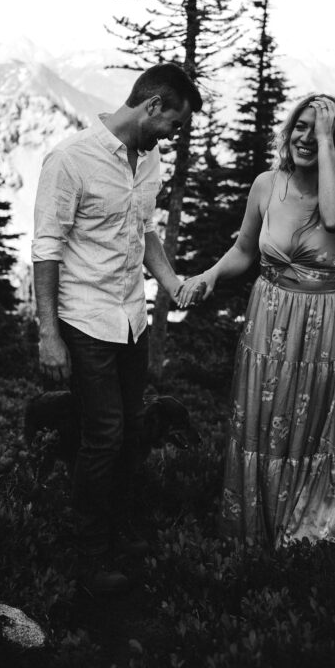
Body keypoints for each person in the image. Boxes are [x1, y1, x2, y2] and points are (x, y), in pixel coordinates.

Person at [31, 62, 203, 594]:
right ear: (153, 106)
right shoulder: (70, 158)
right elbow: (46, 248)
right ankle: (87, 552)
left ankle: (114, 532)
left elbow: (145, 230)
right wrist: (48, 333)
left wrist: (170, 282)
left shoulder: (148, 160)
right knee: (103, 434)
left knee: (128, 431)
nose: (174, 135)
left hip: (131, 317)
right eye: (173, 122)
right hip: (83, 318)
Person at [177, 94, 335, 548]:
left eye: (319, 129)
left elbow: (334, 216)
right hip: (269, 316)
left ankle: (303, 532)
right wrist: (208, 276)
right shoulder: (267, 183)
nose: (306, 136)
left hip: (323, 323)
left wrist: (326, 143)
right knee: (263, 419)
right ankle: (255, 529)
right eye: (300, 126)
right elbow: (245, 250)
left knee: (311, 422)